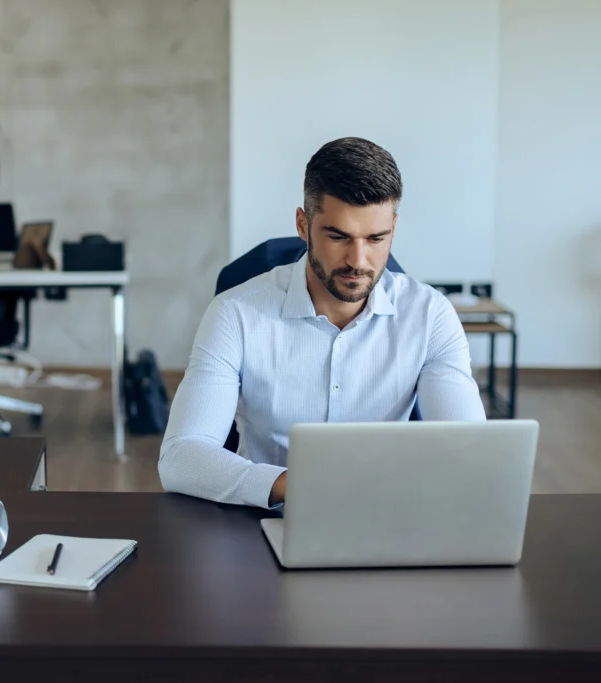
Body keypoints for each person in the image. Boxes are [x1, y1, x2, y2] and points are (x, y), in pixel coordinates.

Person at [158, 137, 485, 509]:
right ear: (303, 224)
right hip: (265, 522)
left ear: (393, 228)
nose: (358, 260)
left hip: (388, 517)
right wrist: (303, 487)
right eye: (338, 236)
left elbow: (468, 451)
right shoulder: (236, 313)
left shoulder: (430, 316)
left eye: (376, 238)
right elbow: (181, 457)